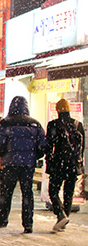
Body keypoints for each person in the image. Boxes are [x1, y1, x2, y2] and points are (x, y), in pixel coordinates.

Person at [0, 96, 47, 233]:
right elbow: (43, 145)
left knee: (7, 191)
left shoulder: (5, 123)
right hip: (28, 164)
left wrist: (3, 154)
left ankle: (3, 217)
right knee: (27, 193)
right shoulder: (35, 124)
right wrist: (34, 155)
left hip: (10, 162)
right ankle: (28, 223)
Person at [45, 99, 85, 232]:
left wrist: (49, 164)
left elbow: (49, 148)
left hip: (59, 164)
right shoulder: (78, 125)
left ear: (58, 110)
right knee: (68, 193)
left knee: (53, 191)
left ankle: (60, 214)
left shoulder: (53, 125)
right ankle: (63, 219)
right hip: (73, 165)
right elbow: (82, 149)